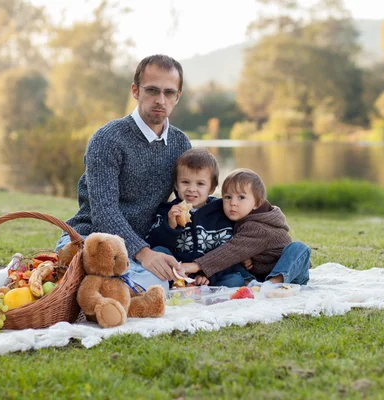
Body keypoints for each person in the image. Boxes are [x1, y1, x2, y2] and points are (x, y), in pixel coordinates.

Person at [55, 54, 191, 291]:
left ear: (177, 97)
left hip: (144, 247)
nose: (161, 99)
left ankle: (106, 289)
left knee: (164, 278)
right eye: (152, 90)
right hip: (93, 241)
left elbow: (187, 205)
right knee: (139, 279)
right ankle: (89, 284)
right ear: (135, 91)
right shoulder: (107, 140)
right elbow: (104, 213)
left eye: (169, 93)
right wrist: (145, 254)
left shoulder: (181, 144)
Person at [181, 168, 311, 287]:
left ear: (257, 203)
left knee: (299, 248)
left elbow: (231, 250)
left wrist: (196, 265)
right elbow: (229, 253)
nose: (233, 203)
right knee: (230, 264)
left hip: (290, 275)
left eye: (241, 197)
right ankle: (254, 284)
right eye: (227, 197)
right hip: (258, 276)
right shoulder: (239, 218)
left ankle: (274, 283)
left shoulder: (260, 227)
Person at [145, 148, 244, 287]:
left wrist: (205, 273)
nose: (192, 189)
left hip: (211, 274)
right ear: (176, 185)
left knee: (235, 280)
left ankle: (209, 291)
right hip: (178, 272)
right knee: (158, 252)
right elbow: (153, 243)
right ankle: (177, 284)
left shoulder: (221, 211)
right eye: (185, 182)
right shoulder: (166, 211)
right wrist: (170, 226)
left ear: (211, 188)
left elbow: (225, 252)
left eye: (200, 184)